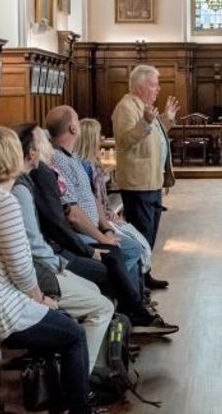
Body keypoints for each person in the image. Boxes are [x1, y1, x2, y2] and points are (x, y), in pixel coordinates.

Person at [0, 126, 97, 414]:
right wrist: (41, 300)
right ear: (11, 157)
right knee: (74, 334)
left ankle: (52, 397)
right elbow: (21, 269)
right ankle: (81, 409)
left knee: (56, 323)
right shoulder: (3, 202)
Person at [29, 125, 178, 335]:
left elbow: (93, 198)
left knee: (130, 248)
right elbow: (64, 220)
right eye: (41, 140)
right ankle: (127, 314)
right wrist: (91, 247)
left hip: (80, 235)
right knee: (116, 258)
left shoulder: (59, 165)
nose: (47, 143)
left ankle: (131, 309)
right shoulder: (46, 172)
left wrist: (107, 227)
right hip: (62, 247)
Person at [12, 123, 115, 374]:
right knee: (103, 302)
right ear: (32, 152)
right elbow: (29, 252)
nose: (49, 144)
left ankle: (93, 363)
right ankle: (83, 377)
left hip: (45, 263)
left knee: (98, 283)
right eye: (42, 141)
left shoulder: (27, 182)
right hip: (42, 270)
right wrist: (57, 271)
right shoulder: (20, 190)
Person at [46, 106, 145, 288]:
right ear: (73, 129)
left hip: (97, 227)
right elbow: (73, 214)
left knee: (135, 246)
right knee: (130, 250)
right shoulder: (57, 160)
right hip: (81, 234)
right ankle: (124, 297)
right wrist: (102, 237)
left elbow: (92, 197)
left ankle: (129, 297)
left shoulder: (73, 157)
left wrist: (106, 227)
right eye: (77, 119)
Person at [112, 65, 179, 289]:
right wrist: (145, 122)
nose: (158, 88)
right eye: (153, 84)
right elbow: (125, 141)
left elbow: (152, 139)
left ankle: (145, 274)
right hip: (137, 183)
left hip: (152, 181)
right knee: (141, 236)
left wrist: (166, 121)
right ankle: (137, 283)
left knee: (149, 235)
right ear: (140, 86)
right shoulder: (126, 108)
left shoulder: (145, 107)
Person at [75, 118, 153, 276]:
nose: (101, 139)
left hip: (104, 216)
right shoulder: (83, 166)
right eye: (98, 135)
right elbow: (90, 201)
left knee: (141, 242)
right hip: (97, 222)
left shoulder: (92, 163)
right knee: (136, 246)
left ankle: (140, 284)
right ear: (90, 138)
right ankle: (128, 289)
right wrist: (107, 222)